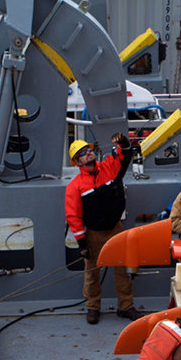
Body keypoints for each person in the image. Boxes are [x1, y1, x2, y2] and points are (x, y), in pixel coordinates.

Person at [65, 134, 143, 325]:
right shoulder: (74, 187)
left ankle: (125, 306)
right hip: (93, 234)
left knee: (122, 270)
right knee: (92, 273)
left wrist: (124, 143)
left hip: (115, 228)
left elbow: (123, 158)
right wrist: (82, 242)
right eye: (82, 153)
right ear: (77, 162)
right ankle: (93, 307)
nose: (88, 153)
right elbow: (73, 217)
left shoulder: (109, 167)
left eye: (89, 150)